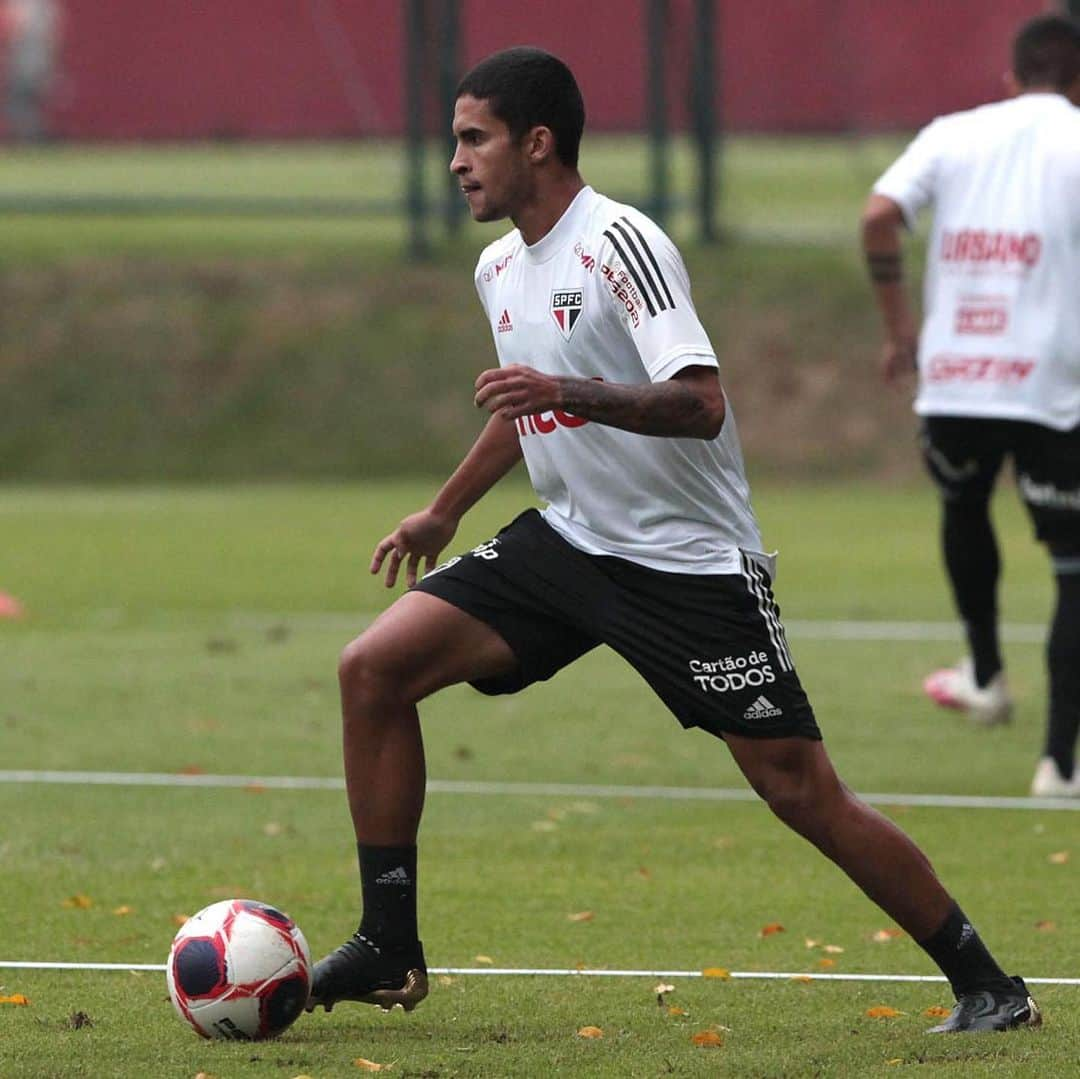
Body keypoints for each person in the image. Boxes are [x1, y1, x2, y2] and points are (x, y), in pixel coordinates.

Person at [307, 46, 1040, 1034]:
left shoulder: (622, 243)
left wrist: (566, 392)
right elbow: (524, 399)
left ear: (538, 143)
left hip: (685, 564)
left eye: (472, 138)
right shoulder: (498, 265)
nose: (455, 162)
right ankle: (389, 939)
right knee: (372, 669)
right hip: (568, 544)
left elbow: (698, 403)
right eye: (452, 141)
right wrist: (446, 508)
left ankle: (988, 982)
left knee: (797, 786)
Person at [861, 14, 1080, 798]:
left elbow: (878, 215)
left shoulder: (952, 133)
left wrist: (899, 331)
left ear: (1012, 78)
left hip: (956, 375)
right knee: (1071, 570)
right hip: (1056, 385)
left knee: (962, 504)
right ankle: (1059, 764)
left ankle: (986, 674)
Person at [1, 0, 61, 142]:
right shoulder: (43, 7)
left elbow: (12, 30)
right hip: (35, 62)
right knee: (24, 104)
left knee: (19, 104)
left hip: (26, 63)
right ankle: (34, 137)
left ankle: (34, 138)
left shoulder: (26, 6)